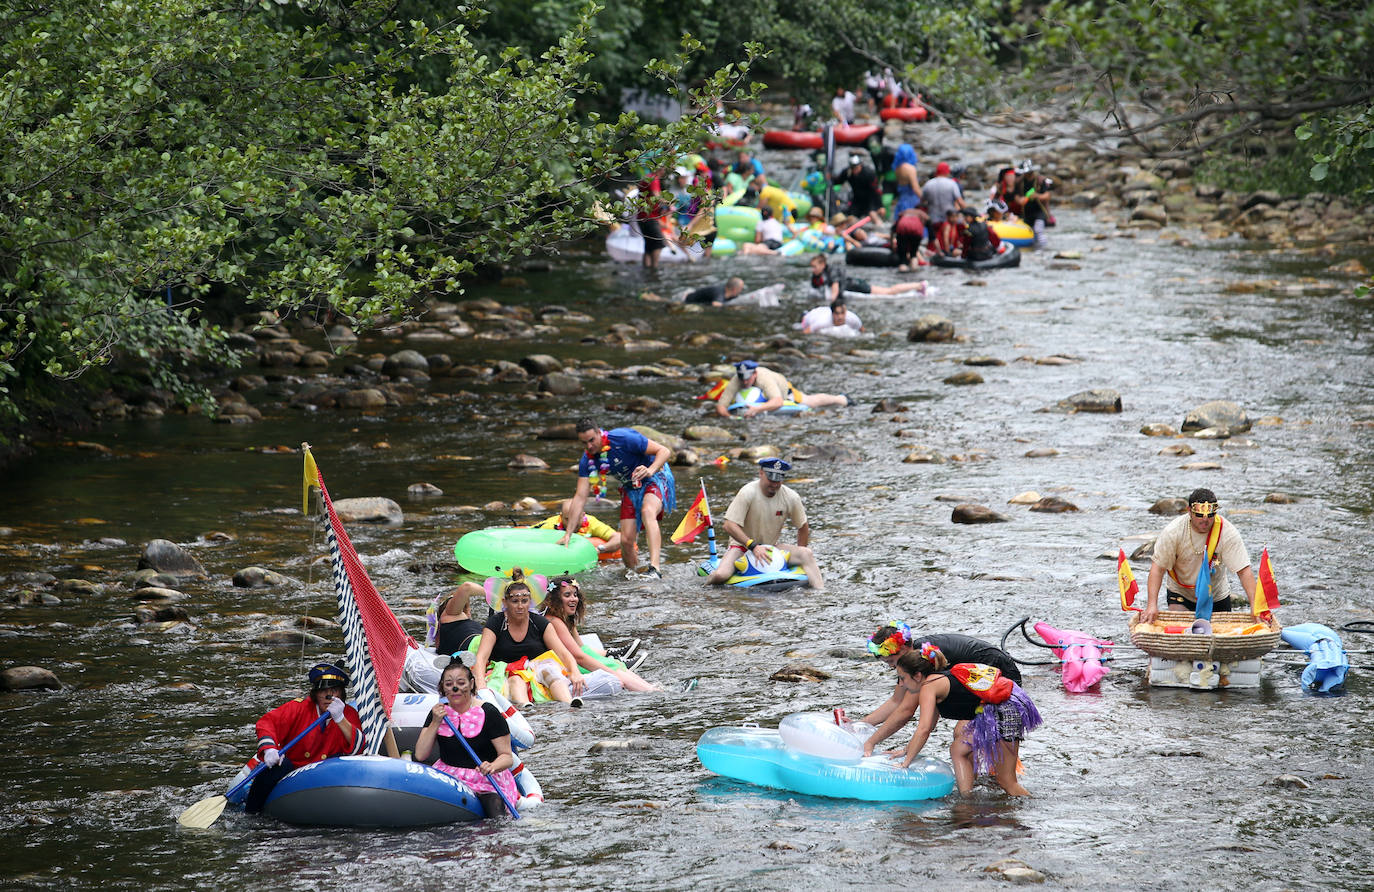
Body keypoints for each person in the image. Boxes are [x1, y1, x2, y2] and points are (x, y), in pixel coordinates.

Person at [888, 646, 1041, 796]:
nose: (901, 684)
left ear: (917, 676)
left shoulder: (928, 686)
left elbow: (923, 730)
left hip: (1006, 709)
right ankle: (967, 799)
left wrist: (905, 764)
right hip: (1000, 706)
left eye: (902, 678)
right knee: (958, 749)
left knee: (1006, 781)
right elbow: (929, 726)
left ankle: (1034, 809)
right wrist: (906, 750)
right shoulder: (934, 682)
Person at [858, 622, 1022, 756]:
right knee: (962, 738)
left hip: (1001, 681)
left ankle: (992, 771)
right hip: (979, 683)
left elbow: (906, 711)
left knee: (962, 737)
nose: (892, 667)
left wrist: (871, 742)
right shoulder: (911, 659)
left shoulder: (923, 660)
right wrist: (860, 724)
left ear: (903, 649)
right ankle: (984, 776)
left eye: (891, 662)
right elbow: (896, 700)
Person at [559, 419, 676, 578]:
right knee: (626, 540)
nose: (589, 446)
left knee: (647, 511)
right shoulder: (588, 461)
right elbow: (580, 497)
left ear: (600, 433)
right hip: (630, 487)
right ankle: (634, 576)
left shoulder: (623, 438)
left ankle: (655, 569)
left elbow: (664, 451)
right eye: (584, 443)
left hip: (655, 477)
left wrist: (650, 470)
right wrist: (568, 533)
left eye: (592, 440)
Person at [244, 662, 365, 813]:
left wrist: (340, 719)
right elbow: (267, 723)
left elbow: (358, 748)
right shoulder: (298, 708)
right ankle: (252, 813)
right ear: (315, 694)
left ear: (341, 693)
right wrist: (269, 749)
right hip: (293, 771)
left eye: (334, 690)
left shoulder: (348, 714)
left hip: (329, 775)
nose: (329, 696)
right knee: (275, 768)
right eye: (323, 691)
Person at [414, 655, 518, 817]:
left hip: (484, 780)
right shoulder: (437, 713)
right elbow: (420, 754)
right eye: (449, 684)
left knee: (495, 808)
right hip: (448, 776)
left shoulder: (489, 713)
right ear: (443, 688)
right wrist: (435, 722)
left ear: (471, 684)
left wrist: (492, 766)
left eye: (461, 683)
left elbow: (507, 757)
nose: (455, 689)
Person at [1141, 488, 1257, 624]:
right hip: (1181, 593)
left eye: (1210, 515)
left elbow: (1243, 571)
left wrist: (1255, 605)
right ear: (1189, 511)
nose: (1205, 520)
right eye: (1200, 515)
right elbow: (1157, 569)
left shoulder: (1227, 533)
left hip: (1215, 595)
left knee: (1220, 639)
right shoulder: (1173, 532)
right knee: (1182, 635)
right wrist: (1151, 605)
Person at [703, 458, 824, 589]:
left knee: (806, 553)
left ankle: (821, 593)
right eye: (771, 479)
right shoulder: (747, 492)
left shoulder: (791, 497)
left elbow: (803, 526)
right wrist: (753, 546)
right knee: (721, 575)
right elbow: (728, 525)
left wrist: (800, 554)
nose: (774, 484)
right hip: (741, 547)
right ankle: (705, 588)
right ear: (761, 473)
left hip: (771, 548)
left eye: (778, 480)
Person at [473, 571, 587, 707]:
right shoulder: (495, 623)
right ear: (505, 602)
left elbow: (563, 653)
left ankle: (570, 703)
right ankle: (526, 708)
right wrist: (480, 685)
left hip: (536, 669)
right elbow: (481, 657)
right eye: (515, 601)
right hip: (507, 672)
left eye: (524, 601)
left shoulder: (540, 622)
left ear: (530, 601)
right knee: (516, 679)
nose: (520, 606)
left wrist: (575, 672)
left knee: (550, 671)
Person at [541, 576, 658, 689]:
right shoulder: (554, 621)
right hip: (568, 666)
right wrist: (610, 672)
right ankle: (650, 690)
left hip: (577, 661)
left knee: (617, 667)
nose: (573, 599)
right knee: (617, 670)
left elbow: (581, 647)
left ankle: (615, 659)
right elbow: (578, 656)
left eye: (575, 595)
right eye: (567, 595)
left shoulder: (564, 618)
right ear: (555, 599)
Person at [714, 358, 849, 418]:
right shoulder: (737, 379)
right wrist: (730, 417)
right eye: (742, 378)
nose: (745, 382)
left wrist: (757, 409)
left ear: (754, 373)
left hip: (784, 391)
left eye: (748, 378)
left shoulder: (764, 378)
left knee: (810, 402)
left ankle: (841, 399)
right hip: (759, 401)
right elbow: (721, 405)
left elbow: (778, 402)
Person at [807, 254, 930, 302]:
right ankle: (918, 285)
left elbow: (834, 290)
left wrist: (830, 304)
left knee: (889, 292)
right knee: (888, 290)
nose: (813, 269)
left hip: (857, 285)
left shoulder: (831, 271)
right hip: (853, 284)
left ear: (823, 265)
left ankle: (919, 285)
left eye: (814, 267)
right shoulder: (819, 274)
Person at [532, 507, 622, 557]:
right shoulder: (549, 525)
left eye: (575, 519)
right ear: (561, 516)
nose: (571, 523)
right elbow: (527, 536)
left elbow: (619, 538)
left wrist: (598, 549)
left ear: (583, 516)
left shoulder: (591, 522)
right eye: (567, 519)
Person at [435, 582, 485, 656]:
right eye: (467, 606)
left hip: (482, 648)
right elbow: (467, 587)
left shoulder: (451, 626)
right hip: (480, 647)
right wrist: (493, 595)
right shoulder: (449, 614)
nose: (470, 610)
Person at [832, 154, 883, 224]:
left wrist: (880, 206)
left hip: (870, 198)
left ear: (860, 166)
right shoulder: (848, 173)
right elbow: (838, 181)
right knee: (851, 216)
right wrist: (830, 178)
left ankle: (880, 227)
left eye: (856, 168)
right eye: (853, 168)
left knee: (872, 214)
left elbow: (876, 190)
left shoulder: (868, 173)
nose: (855, 171)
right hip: (857, 199)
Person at [635, 169, 668, 269]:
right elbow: (656, 196)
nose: (664, 170)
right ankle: (654, 268)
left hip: (642, 216)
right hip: (650, 217)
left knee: (649, 245)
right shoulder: (654, 179)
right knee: (658, 243)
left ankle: (647, 269)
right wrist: (669, 202)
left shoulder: (647, 177)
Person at [920, 162, 965, 235]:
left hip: (933, 219)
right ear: (947, 172)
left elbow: (922, 201)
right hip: (949, 219)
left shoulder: (928, 184)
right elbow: (960, 201)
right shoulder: (952, 184)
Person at [799, 296, 863, 336]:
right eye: (837, 313)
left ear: (846, 312)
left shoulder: (853, 318)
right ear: (832, 313)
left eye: (842, 313)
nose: (840, 317)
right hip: (812, 315)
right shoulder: (822, 322)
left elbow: (862, 330)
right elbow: (805, 332)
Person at [892, 206, 929, 271]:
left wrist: (892, 244)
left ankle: (902, 267)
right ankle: (914, 269)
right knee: (913, 254)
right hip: (917, 229)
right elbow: (933, 236)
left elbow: (893, 230)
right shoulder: (923, 214)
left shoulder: (906, 212)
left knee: (902, 257)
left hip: (902, 227)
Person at [891, 143, 922, 218]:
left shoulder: (897, 168)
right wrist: (924, 199)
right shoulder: (910, 168)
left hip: (902, 199)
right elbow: (915, 188)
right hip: (911, 199)